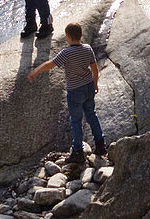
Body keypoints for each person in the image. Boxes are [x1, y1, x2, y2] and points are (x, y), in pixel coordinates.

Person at [28, 22, 106, 165]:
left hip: (75, 91)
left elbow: (50, 64)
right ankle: (100, 145)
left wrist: (36, 71)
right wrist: (95, 83)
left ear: (68, 37)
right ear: (80, 35)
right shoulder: (87, 49)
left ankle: (77, 152)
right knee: (91, 115)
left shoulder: (66, 53)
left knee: (76, 121)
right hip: (88, 86)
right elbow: (94, 69)